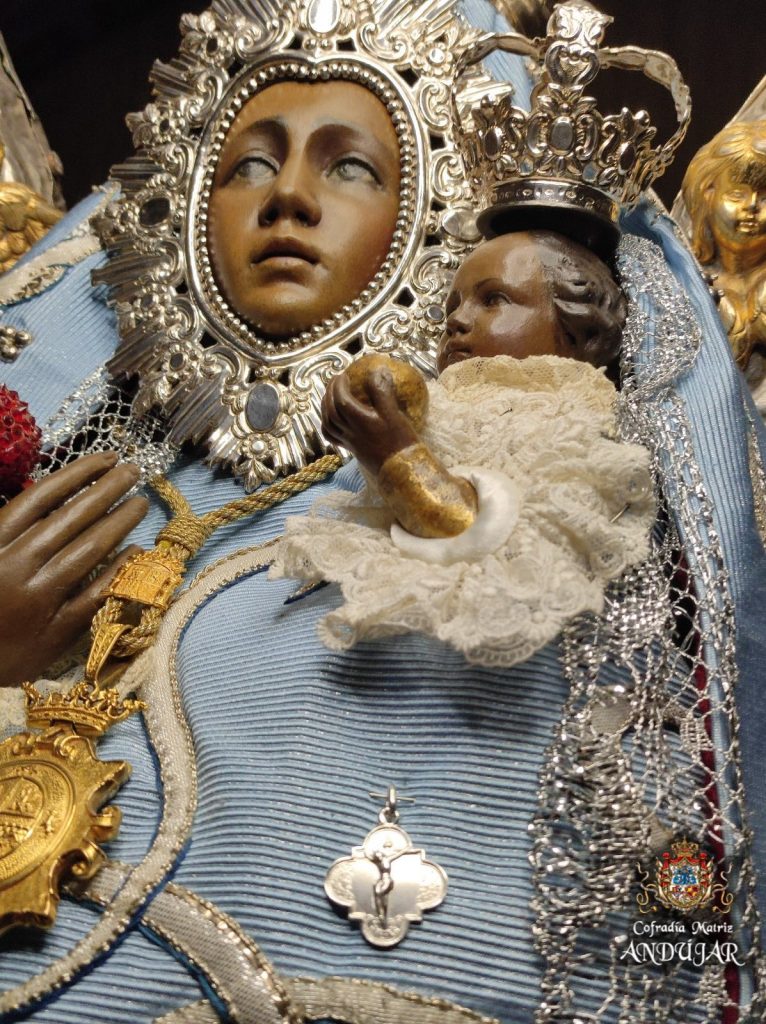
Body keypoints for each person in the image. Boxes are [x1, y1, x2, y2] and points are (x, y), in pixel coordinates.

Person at [1, 2, 765, 1022]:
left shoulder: (509, 450)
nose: (288, 198)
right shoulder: (76, 454)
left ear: (430, 219)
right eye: (247, 163)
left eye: (351, 166)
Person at [273, 230, 655, 665]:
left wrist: (393, 454)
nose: (456, 320)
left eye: (493, 300)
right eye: (452, 306)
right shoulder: (438, 409)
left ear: (577, 330)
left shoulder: (569, 427)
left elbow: (492, 535)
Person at [682, 120, 766, 403]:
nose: (752, 206)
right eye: (737, 193)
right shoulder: (684, 282)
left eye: (765, 197)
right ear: (707, 195)